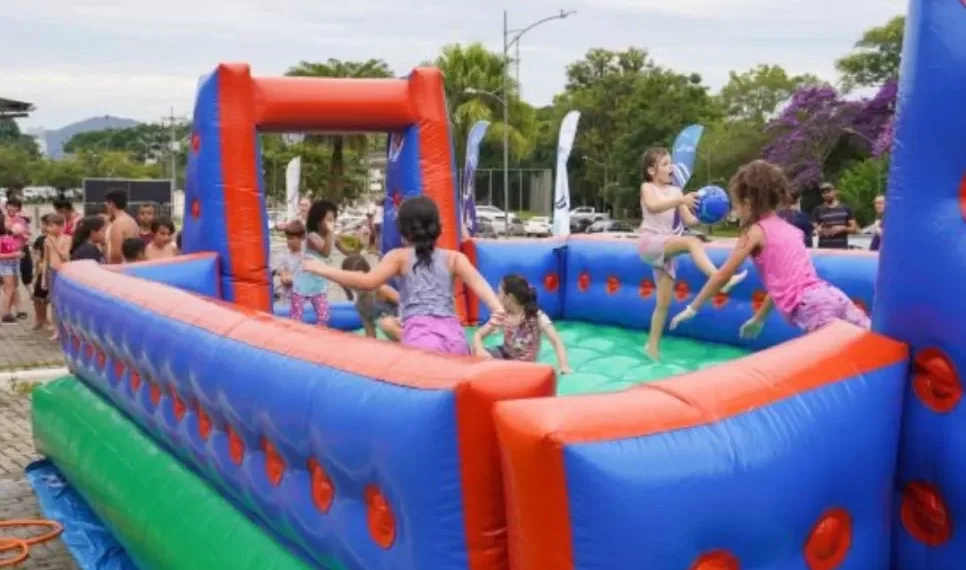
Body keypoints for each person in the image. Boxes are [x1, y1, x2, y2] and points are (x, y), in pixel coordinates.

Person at [669, 160, 870, 336]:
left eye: (737, 205)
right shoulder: (790, 230)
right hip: (832, 296)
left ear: (747, 203)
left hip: (813, 308)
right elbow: (781, 286)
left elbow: (723, 275)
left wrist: (692, 308)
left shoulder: (753, 232)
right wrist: (759, 319)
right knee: (871, 345)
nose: (736, 211)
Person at [302, 196, 505, 355]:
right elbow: (481, 285)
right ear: (436, 227)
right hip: (454, 338)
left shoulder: (399, 257)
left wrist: (322, 269)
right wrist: (496, 309)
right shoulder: (454, 258)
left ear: (403, 231)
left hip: (420, 339)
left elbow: (366, 282)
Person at [637, 147, 747, 360]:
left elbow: (689, 221)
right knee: (691, 242)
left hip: (666, 246)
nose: (671, 167)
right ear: (651, 171)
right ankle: (720, 279)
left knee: (663, 303)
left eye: (671, 163)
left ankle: (651, 348)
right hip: (650, 242)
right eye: (665, 164)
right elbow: (653, 206)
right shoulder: (647, 187)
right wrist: (681, 200)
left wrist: (712, 216)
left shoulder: (676, 192)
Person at [472, 274, 571, 373]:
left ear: (510, 297)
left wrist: (564, 366)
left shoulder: (536, 316)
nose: (497, 296)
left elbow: (556, 342)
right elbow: (478, 334)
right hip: (505, 358)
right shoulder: (502, 315)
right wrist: (480, 350)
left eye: (500, 292)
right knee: (475, 351)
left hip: (525, 366)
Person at [341, 254, 402, 341]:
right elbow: (370, 334)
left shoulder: (381, 290)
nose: (355, 284)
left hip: (410, 329)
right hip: (398, 339)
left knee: (386, 323)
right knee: (385, 323)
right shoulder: (360, 305)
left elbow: (409, 306)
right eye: (350, 281)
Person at [1, 197, 30, 323]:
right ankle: (6, 313)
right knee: (9, 286)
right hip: (5, 258)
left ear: (19, 208)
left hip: (17, 257)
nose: (12, 208)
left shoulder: (21, 220)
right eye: (10, 205)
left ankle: (17, 310)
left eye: (15, 206)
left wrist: (22, 235)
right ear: (6, 206)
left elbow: (27, 236)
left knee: (15, 285)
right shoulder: (2, 219)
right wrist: (9, 230)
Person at [43, 214, 71, 340]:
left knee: (63, 301)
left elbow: (65, 256)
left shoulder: (67, 239)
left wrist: (54, 243)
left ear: (60, 226)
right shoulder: (46, 241)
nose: (48, 228)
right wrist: (43, 278)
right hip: (52, 271)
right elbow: (46, 259)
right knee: (54, 303)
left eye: (51, 225)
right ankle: (56, 329)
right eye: (48, 226)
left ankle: (65, 328)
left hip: (63, 272)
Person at [812, 182, 858, 249]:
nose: (826, 194)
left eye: (828, 191)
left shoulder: (846, 208)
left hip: (841, 249)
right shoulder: (817, 210)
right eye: (823, 193)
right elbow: (815, 229)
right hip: (823, 249)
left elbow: (854, 229)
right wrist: (818, 230)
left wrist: (842, 228)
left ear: (835, 192)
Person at [104, 189, 139, 264]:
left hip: (120, 266)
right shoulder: (132, 221)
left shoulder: (117, 224)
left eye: (107, 203)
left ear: (112, 203)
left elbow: (116, 254)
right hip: (131, 264)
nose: (106, 206)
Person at [274, 220, 305, 305]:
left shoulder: (307, 257)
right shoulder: (282, 256)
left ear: (301, 238)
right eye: (287, 238)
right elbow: (285, 279)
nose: (288, 241)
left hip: (305, 301)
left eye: (292, 238)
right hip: (288, 301)